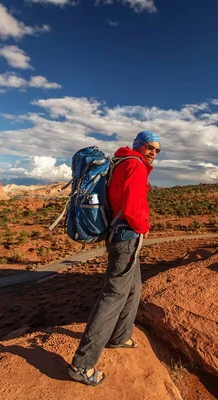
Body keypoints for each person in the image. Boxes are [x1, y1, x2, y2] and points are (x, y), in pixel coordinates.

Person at [68, 130, 161, 386]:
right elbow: (132, 206)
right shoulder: (135, 165)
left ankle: (120, 336)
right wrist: (143, 226)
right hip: (126, 237)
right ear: (138, 146)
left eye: (157, 150)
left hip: (119, 234)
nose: (153, 152)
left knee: (134, 287)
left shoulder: (122, 162)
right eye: (149, 147)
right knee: (113, 296)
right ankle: (82, 364)